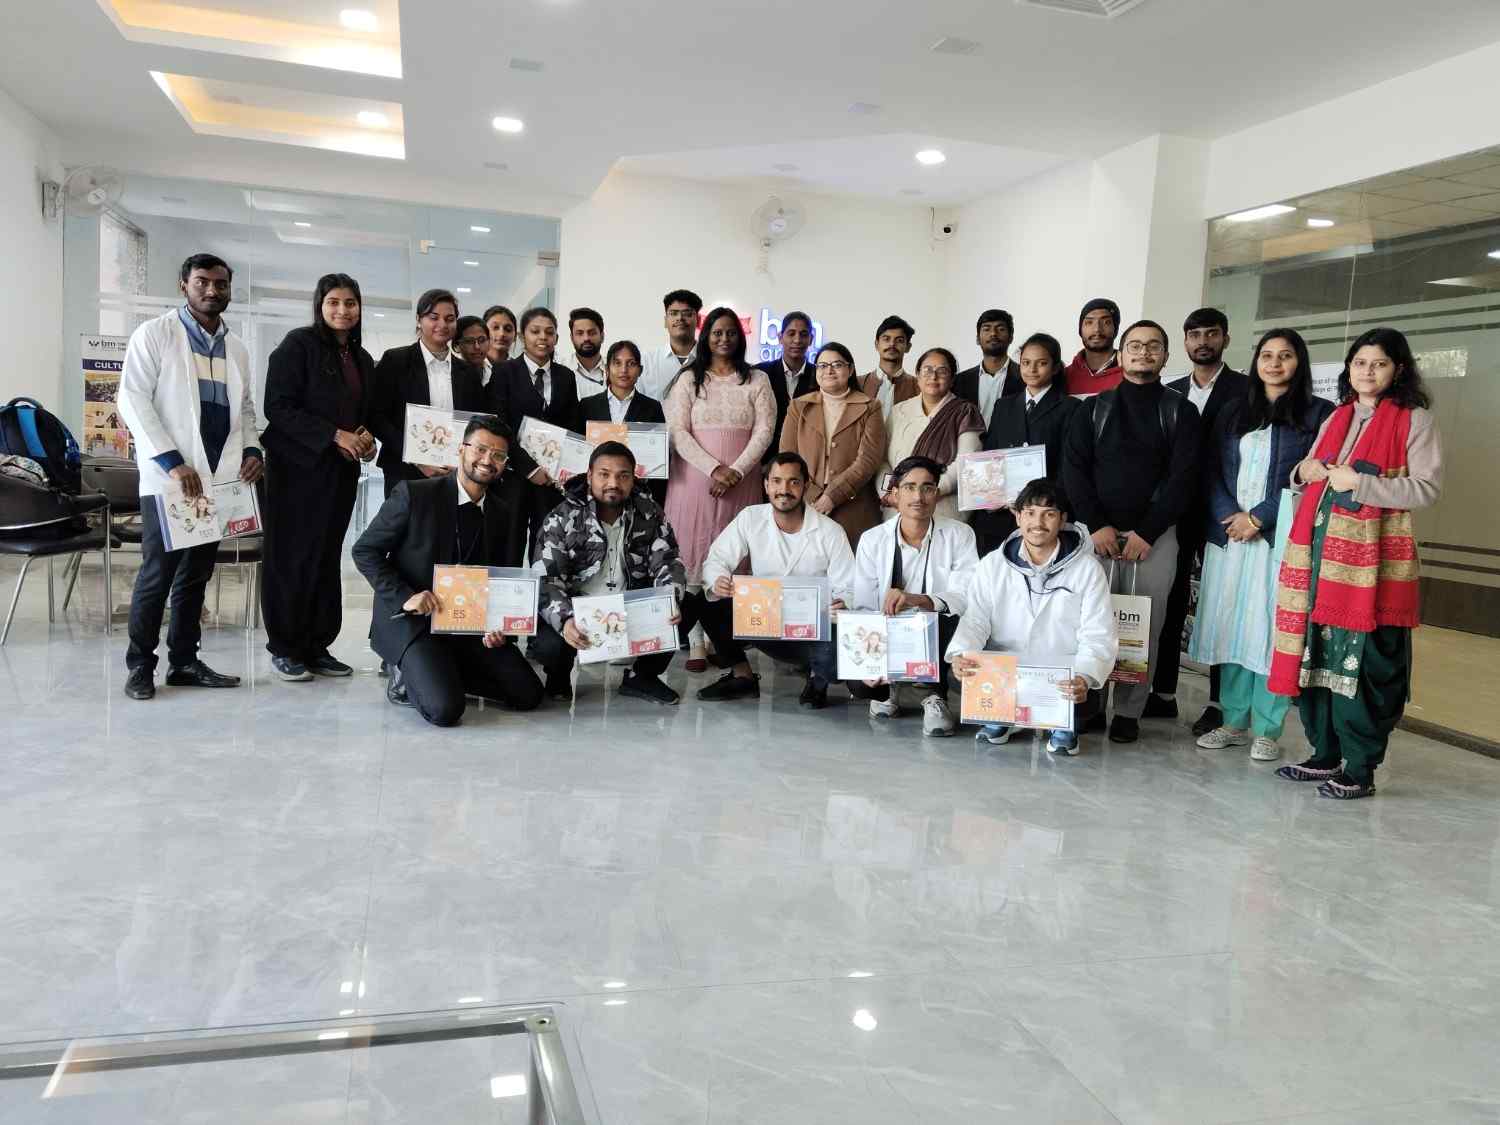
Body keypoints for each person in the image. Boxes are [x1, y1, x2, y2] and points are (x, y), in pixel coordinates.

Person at [1270, 328, 1442, 800]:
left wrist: (1359, 485)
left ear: (1398, 370)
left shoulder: (1415, 420)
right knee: (1316, 655)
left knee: (1363, 663)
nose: (1367, 372)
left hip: (1373, 568)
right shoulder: (1338, 416)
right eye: (1360, 363)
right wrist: (1302, 471)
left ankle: (1360, 768)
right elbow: (1309, 471)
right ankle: (1324, 754)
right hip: (1317, 560)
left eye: (1379, 363)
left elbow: (1426, 488)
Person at [117, 253, 263, 701]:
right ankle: (140, 666)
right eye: (202, 282)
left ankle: (184, 662)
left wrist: (253, 448)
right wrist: (170, 461)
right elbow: (132, 399)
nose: (212, 290)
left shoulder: (237, 347)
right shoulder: (155, 334)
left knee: (196, 576)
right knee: (157, 575)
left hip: (217, 479)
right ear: (184, 285)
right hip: (172, 480)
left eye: (221, 284)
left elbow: (244, 408)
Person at [1190, 328, 1333, 763]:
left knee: (1272, 629)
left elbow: (1313, 478)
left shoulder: (1318, 414)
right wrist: (1229, 515)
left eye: (1285, 355)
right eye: (1266, 355)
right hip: (1229, 538)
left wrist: (1258, 518)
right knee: (1232, 627)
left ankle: (1268, 728)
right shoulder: (1234, 410)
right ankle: (1233, 722)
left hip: (1279, 540)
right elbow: (1210, 469)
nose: (1274, 363)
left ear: (1299, 362)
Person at [1061, 319, 1201, 743]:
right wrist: (1097, 525)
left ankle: (1128, 711)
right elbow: (1074, 470)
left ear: (1165, 356)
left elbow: (1184, 478)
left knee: (1144, 625)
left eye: (1153, 346)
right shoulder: (1093, 409)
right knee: (1091, 621)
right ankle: (1090, 702)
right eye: (1135, 345)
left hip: (1154, 539)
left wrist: (1148, 532)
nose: (1144, 352)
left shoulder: (1180, 411)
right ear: (1121, 355)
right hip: (1097, 536)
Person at [352, 416, 542, 726]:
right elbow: (364, 551)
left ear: (506, 463)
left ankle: (440, 674)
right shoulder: (414, 494)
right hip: (416, 623)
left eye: (498, 455)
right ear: (461, 449)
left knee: (528, 694)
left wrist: (498, 627)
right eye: (480, 449)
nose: (487, 460)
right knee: (445, 710)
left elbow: (502, 577)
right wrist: (406, 597)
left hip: (469, 624)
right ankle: (408, 675)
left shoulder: (503, 513)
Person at [260, 272, 377, 682]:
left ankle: (317, 644)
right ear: (320, 306)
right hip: (295, 470)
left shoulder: (361, 358)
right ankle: (285, 647)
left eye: (350, 303)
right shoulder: (298, 345)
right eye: (334, 302)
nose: (343, 310)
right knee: (290, 558)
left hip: (338, 472)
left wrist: (365, 439)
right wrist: (334, 435)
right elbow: (277, 406)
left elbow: (363, 415)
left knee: (326, 558)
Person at [947, 478, 1117, 755]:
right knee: (960, 674)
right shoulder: (993, 564)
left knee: (1085, 698)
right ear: (1017, 517)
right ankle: (1002, 717)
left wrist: (1085, 676)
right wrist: (962, 653)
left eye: (1049, 514)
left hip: (1060, 673)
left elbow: (1098, 632)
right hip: (1007, 669)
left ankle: (1062, 725)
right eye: (1030, 513)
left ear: (1062, 519)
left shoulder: (1087, 569)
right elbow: (975, 619)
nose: (1038, 523)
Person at [1148, 307, 1250, 730]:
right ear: (1185, 341)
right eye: (1194, 334)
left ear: (1226, 338)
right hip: (1175, 513)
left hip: (1227, 516)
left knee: (1222, 606)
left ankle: (1219, 703)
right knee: (1169, 601)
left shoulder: (1247, 390)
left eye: (1211, 333)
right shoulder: (1168, 392)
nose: (1203, 341)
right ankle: (1163, 692)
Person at [664, 306, 777, 671]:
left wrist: (736, 471)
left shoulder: (757, 379)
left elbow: (765, 431)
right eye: (717, 332)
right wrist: (714, 468)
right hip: (694, 483)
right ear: (706, 337)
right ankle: (696, 642)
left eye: (730, 332)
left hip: (741, 486)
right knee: (693, 560)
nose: (724, 338)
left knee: (732, 560)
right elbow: (678, 431)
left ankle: (725, 642)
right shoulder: (688, 380)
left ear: (739, 338)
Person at [531, 441, 687, 704]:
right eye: (604, 474)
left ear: (633, 478)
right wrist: (566, 620)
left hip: (631, 607)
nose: (613, 483)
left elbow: (668, 561)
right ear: (589, 475)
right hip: (579, 611)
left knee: (685, 605)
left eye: (623, 475)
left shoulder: (650, 513)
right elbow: (546, 580)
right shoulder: (562, 517)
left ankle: (642, 677)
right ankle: (558, 675)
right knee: (549, 642)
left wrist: (670, 597)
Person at [695, 452, 855, 708]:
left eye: (793, 482)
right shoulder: (751, 518)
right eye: (777, 481)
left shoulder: (831, 531)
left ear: (805, 486)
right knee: (707, 603)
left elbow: (849, 585)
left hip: (813, 631)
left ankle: (818, 679)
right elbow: (717, 559)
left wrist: (842, 601)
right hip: (763, 623)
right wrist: (719, 581)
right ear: (766, 485)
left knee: (836, 657)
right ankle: (743, 676)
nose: (784, 489)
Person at [851, 455, 978, 736]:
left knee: (949, 617)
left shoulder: (960, 534)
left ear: (936, 493)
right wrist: (871, 661)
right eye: (909, 487)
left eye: (927, 488)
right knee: (858, 684)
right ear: (895, 494)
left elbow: (965, 596)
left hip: (937, 626)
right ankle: (889, 686)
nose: (918, 497)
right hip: (888, 627)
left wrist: (918, 599)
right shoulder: (872, 539)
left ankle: (935, 696)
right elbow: (863, 605)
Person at [369, 288, 487, 498]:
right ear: (419, 320)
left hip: (454, 473)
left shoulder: (468, 372)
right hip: (404, 469)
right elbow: (377, 416)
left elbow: (475, 423)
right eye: (434, 317)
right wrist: (417, 458)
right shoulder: (396, 361)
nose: (442, 324)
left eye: (449, 319)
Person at [972, 332, 1080, 556]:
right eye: (1026, 363)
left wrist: (1043, 503)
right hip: (1002, 512)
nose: (1032, 369)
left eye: (1041, 363)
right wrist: (992, 497)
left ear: (1055, 367)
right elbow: (990, 454)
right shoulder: (1004, 406)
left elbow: (1068, 466)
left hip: (1044, 513)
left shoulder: (1070, 407)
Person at [490, 306, 581, 551]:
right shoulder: (504, 372)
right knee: (510, 544)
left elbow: (572, 425)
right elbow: (500, 426)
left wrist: (565, 468)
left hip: (552, 479)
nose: (543, 337)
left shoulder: (566, 376)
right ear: (522, 337)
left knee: (548, 544)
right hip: (514, 474)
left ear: (556, 338)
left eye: (549, 332)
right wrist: (529, 468)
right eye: (535, 331)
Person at [778, 341, 885, 548]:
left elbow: (868, 460)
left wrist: (832, 496)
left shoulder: (870, 406)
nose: (829, 370)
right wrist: (813, 495)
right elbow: (787, 457)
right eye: (823, 365)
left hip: (854, 504)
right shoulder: (798, 406)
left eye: (837, 365)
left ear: (850, 370)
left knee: (851, 563)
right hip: (807, 504)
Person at [879, 346, 984, 524]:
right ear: (917, 376)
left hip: (943, 508)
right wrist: (890, 493)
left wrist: (927, 492)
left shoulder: (965, 412)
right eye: (927, 370)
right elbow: (882, 460)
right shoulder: (898, 411)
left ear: (952, 379)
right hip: (897, 508)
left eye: (942, 371)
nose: (933, 376)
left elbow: (966, 464)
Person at [575, 340, 667, 505]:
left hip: (637, 494)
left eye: (631, 364)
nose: (624, 370)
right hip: (595, 493)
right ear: (607, 369)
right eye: (617, 363)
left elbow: (661, 456)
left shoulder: (652, 407)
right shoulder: (587, 405)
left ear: (640, 370)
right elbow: (577, 452)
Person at [754, 310, 818, 460]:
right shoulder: (760, 373)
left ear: (811, 339)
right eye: (791, 334)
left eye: (803, 334)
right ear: (780, 337)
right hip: (763, 459)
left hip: (806, 459)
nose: (797, 340)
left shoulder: (819, 376)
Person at [955, 309, 1023, 422]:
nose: (993, 334)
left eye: (1000, 329)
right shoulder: (959, 381)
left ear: (1011, 337)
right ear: (977, 339)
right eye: (987, 329)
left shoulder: (1026, 377)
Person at [641, 288, 702, 400]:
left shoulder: (711, 360)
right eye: (673, 313)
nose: (680, 318)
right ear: (665, 321)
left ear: (698, 320)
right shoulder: (647, 361)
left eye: (687, 313)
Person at [858, 315, 919, 423]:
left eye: (899, 340)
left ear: (908, 347)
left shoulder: (918, 387)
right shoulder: (857, 384)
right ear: (876, 344)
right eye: (886, 339)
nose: (892, 344)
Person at [1062, 297, 1124, 397]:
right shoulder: (1063, 377)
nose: (1097, 329)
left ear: (1115, 329)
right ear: (1080, 329)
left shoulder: (1131, 374)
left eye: (1106, 322)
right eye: (1089, 322)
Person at [568, 306, 607, 391]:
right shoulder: (562, 369)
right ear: (572, 338)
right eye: (580, 333)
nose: (586, 338)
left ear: (602, 336)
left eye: (592, 333)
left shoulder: (616, 370)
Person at [453, 315, 494, 387]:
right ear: (456, 345)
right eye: (469, 341)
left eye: (482, 340)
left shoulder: (497, 372)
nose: (477, 347)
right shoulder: (450, 375)